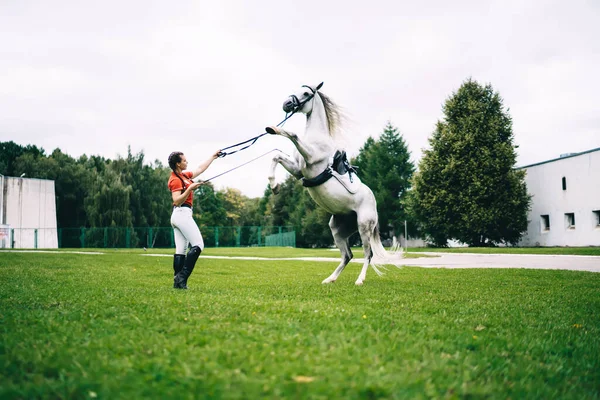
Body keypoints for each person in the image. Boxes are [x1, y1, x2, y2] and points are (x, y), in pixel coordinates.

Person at [167, 150, 221, 289]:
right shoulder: (175, 179)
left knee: (181, 250)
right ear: (178, 164)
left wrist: (212, 157)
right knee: (198, 245)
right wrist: (190, 188)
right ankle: (181, 277)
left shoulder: (184, 175)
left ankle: (177, 283)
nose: (187, 162)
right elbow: (176, 201)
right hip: (181, 213)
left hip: (180, 215)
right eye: (184, 161)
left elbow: (199, 169)